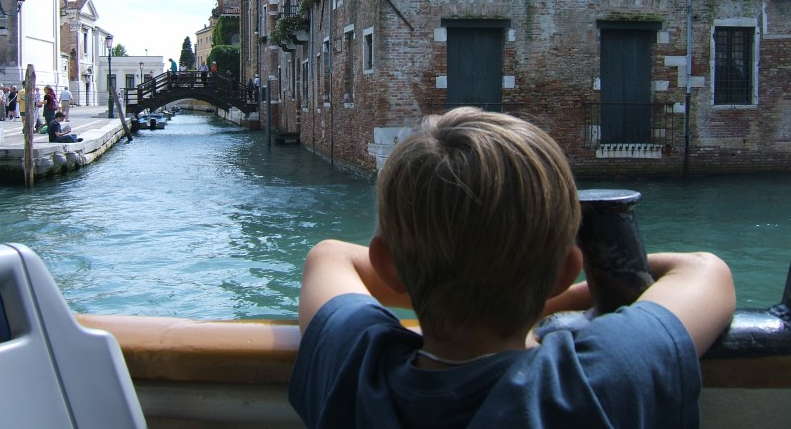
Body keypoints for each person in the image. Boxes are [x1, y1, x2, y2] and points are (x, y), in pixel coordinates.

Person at [289, 107, 736, 428]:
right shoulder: (603, 378)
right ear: (567, 269)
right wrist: (545, 287)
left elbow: (328, 255)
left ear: (389, 266)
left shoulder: (352, 369)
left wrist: (447, 279)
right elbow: (704, 271)